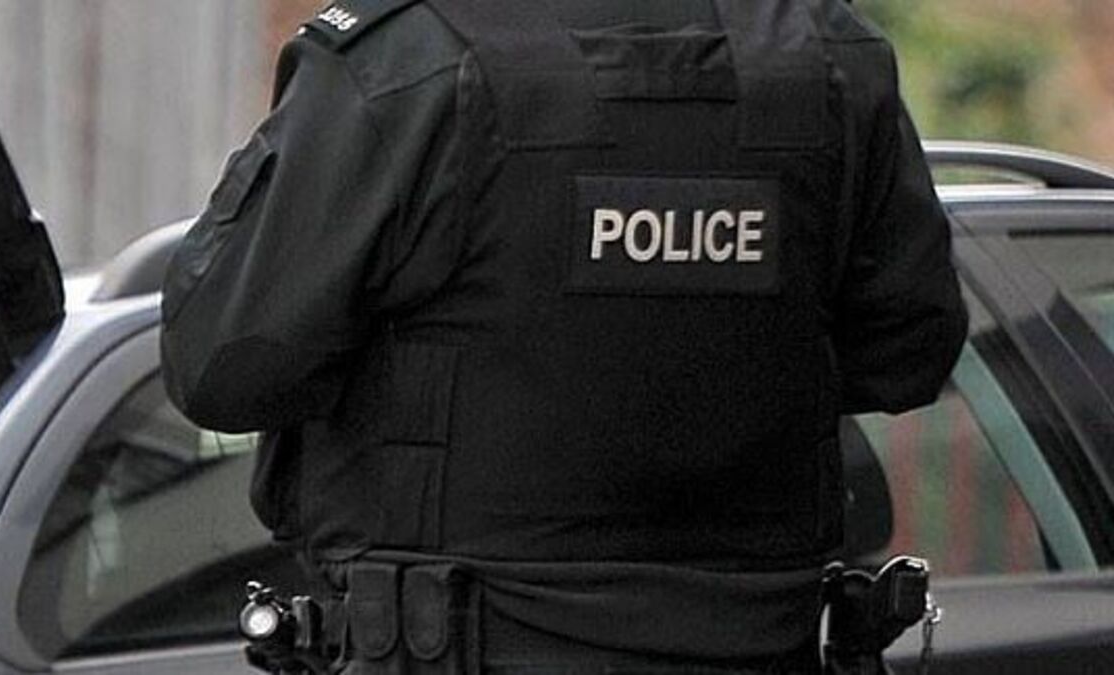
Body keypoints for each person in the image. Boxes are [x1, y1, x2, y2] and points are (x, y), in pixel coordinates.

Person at [161, 0, 968, 672]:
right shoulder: (828, 52)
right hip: (756, 641)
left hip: (454, 643)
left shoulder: (404, 60)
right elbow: (909, 349)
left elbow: (221, 364)